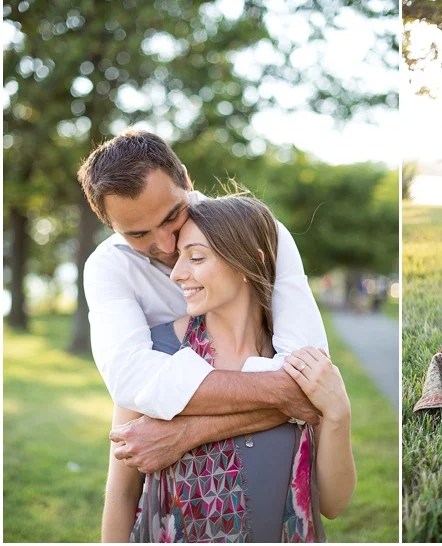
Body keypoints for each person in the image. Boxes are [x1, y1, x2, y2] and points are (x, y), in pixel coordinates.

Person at [101, 196, 356, 542]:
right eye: (179, 258)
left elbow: (332, 504)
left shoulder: (299, 363)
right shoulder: (154, 356)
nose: (177, 274)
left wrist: (339, 414)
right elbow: (122, 494)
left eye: (195, 258)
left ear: (248, 261)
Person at [77, 130, 326, 474]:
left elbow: (309, 371)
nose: (166, 246)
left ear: (186, 180)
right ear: (110, 225)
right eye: (138, 234)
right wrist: (282, 392)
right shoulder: (107, 267)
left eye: (171, 217)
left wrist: (186, 432)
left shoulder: (260, 232)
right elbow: (130, 380)